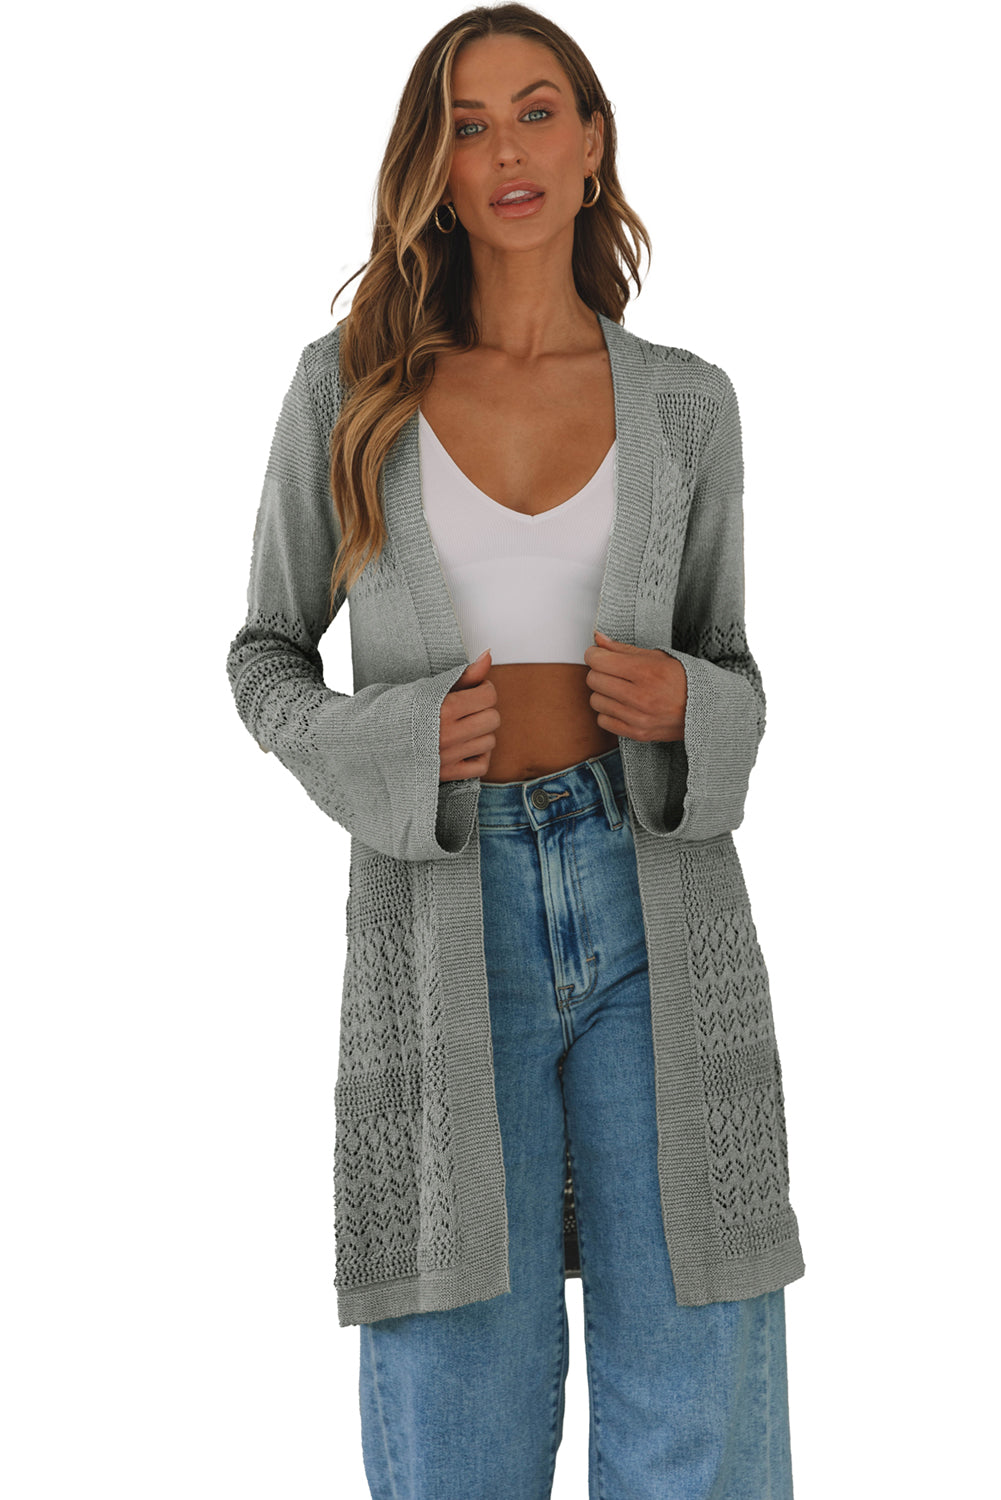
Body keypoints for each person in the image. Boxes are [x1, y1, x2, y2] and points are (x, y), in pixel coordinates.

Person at [225, 5, 806, 1496]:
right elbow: (265, 655)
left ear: (593, 140)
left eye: (537, 111)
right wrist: (395, 736)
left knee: (698, 1359)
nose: (506, 151)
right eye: (467, 125)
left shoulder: (687, 404)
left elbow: (733, 669)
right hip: (445, 907)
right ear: (434, 165)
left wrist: (692, 706)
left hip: (652, 897)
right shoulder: (347, 388)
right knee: (456, 1384)